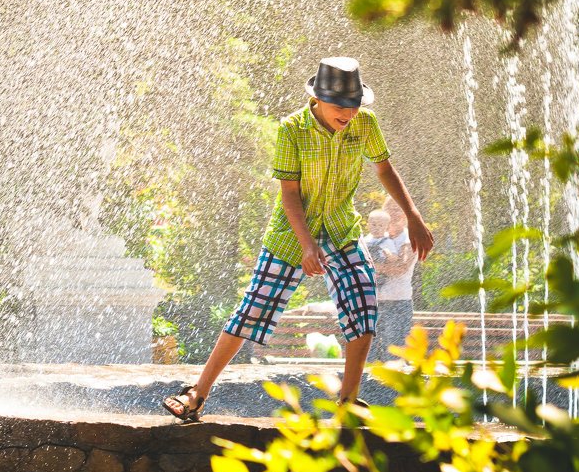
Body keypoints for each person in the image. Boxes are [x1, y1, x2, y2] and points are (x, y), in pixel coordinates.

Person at [161, 57, 434, 421]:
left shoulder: (365, 124)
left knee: (364, 308)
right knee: (252, 311)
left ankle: (348, 401)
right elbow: (289, 193)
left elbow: (384, 169)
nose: (348, 114)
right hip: (291, 235)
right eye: (340, 106)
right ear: (318, 100)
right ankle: (197, 392)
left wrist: (414, 217)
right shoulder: (292, 129)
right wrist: (307, 245)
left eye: (353, 106)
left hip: (341, 231)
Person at [368, 197, 418, 361]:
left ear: (406, 214)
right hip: (372, 302)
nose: (394, 213)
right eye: (389, 208)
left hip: (397, 303)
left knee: (394, 353)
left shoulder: (410, 239)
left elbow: (400, 269)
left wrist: (372, 266)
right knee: (370, 353)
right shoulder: (374, 237)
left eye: (398, 208)